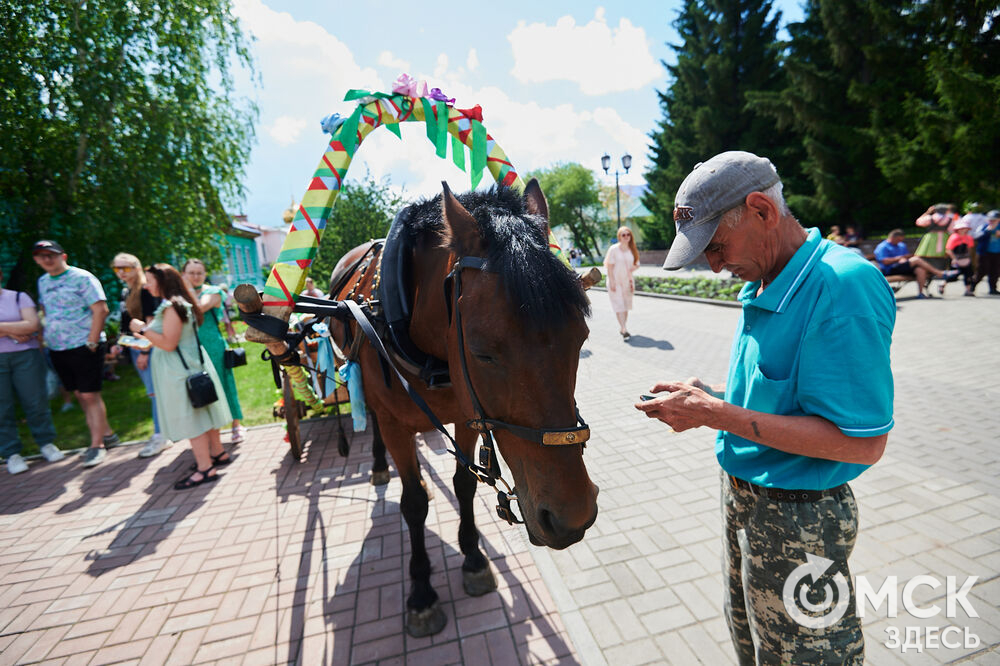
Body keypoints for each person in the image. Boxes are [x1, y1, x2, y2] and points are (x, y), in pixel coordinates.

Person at [637, 151, 896, 665]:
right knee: (755, 645)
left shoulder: (839, 286)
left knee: (809, 656)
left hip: (799, 516)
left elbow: (863, 442)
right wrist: (709, 395)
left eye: (716, 246)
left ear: (762, 210)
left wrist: (715, 414)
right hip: (749, 502)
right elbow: (785, 399)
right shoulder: (768, 280)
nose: (713, 265)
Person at [129, 264, 232, 489]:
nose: (146, 285)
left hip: (179, 371)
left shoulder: (172, 307)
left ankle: (205, 469)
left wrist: (142, 329)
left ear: (162, 282)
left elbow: (168, 343)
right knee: (203, 412)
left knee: (191, 418)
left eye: (150, 281)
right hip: (188, 365)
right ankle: (218, 453)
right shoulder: (180, 304)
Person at [32, 240, 120, 467]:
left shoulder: (83, 278)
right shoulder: (42, 282)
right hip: (58, 347)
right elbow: (45, 311)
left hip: (85, 345)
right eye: (41, 256)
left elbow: (100, 309)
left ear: (63, 256)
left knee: (90, 394)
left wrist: (92, 340)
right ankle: (107, 434)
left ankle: (96, 445)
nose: (47, 259)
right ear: (36, 260)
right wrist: (43, 337)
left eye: (51, 254)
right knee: (81, 394)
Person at [0, 266, 63, 474]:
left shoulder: (19, 297)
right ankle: (11, 454)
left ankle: (46, 443)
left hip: (26, 356)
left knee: (35, 401)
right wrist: (13, 329)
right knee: (2, 407)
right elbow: (24, 326)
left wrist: (5, 329)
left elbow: (33, 326)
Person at [110, 253, 169, 456]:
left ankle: (161, 435)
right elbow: (126, 322)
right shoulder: (126, 291)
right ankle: (162, 433)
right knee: (153, 392)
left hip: (146, 347)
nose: (121, 273)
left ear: (136, 267)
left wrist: (146, 349)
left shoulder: (145, 290)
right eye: (117, 269)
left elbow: (151, 324)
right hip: (134, 346)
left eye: (125, 268)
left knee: (154, 393)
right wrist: (120, 342)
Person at [181, 259, 246, 444]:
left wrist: (184, 292)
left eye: (199, 272)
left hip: (213, 345)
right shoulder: (181, 295)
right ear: (184, 274)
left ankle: (236, 424)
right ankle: (210, 429)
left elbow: (200, 308)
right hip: (189, 347)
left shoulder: (213, 292)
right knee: (198, 387)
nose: (195, 276)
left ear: (205, 274)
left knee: (224, 384)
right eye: (191, 273)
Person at [873, 229, 958, 299]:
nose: (900, 242)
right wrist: (899, 258)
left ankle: (921, 293)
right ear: (893, 237)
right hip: (890, 269)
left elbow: (905, 257)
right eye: (898, 240)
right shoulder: (883, 246)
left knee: (920, 269)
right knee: (916, 259)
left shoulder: (901, 245)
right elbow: (884, 261)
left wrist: (903, 259)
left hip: (903, 267)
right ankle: (939, 273)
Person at [603, 226, 640, 340]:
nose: (626, 237)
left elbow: (637, 264)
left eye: (628, 234)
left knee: (626, 306)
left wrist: (630, 269)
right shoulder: (614, 249)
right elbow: (609, 266)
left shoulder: (632, 249)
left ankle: (623, 327)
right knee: (619, 305)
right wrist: (612, 282)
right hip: (615, 281)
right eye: (623, 235)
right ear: (619, 237)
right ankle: (624, 328)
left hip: (627, 282)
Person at [914, 203, 957, 270]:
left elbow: (918, 222)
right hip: (944, 237)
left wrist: (927, 212)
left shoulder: (930, 217)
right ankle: (941, 269)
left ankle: (930, 270)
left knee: (928, 254)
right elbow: (952, 230)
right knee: (943, 255)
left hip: (930, 237)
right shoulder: (949, 219)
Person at [943, 218, 976, 297]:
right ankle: (942, 284)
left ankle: (968, 291)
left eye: (964, 228)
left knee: (968, 275)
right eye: (961, 228)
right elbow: (948, 250)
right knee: (953, 275)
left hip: (966, 259)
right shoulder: (953, 237)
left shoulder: (969, 238)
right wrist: (954, 258)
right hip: (956, 259)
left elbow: (969, 249)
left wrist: (970, 259)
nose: (963, 230)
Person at [972, 210, 1000, 295]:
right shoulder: (984, 227)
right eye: (990, 220)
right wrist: (987, 231)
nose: (992, 221)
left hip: (997, 253)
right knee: (981, 271)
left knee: (995, 271)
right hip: (984, 253)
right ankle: (972, 286)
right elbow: (976, 237)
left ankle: (993, 288)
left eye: (994, 220)